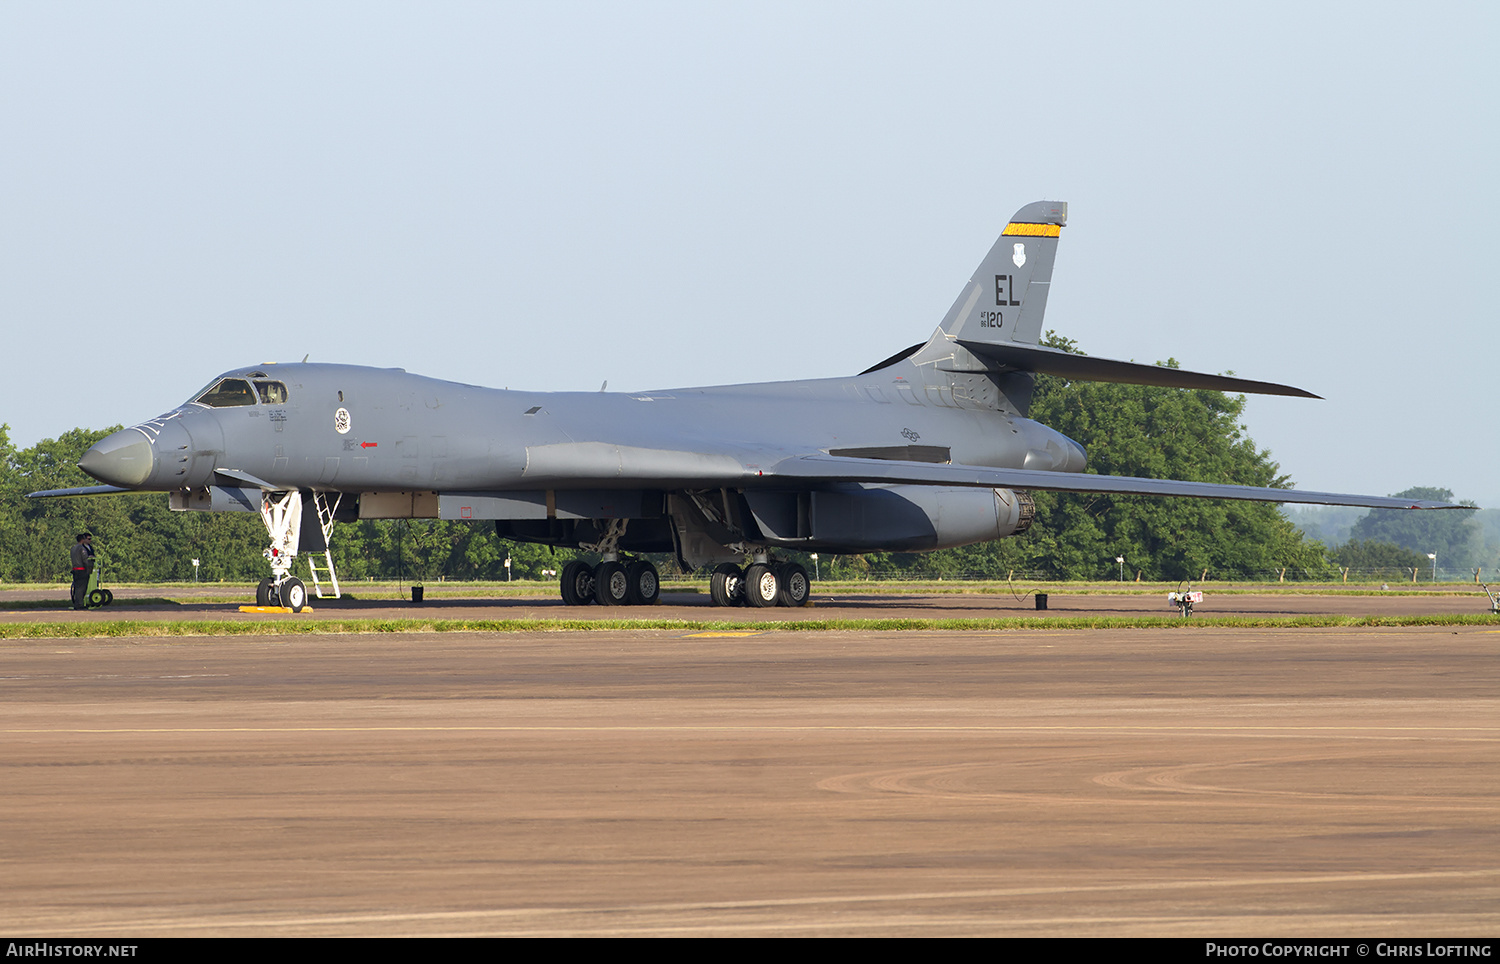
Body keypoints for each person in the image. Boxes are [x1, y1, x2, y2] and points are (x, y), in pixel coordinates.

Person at [70, 533, 95, 610]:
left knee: (77, 588)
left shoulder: (73, 548)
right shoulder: (82, 549)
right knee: (82, 588)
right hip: (82, 570)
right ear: (82, 539)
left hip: (75, 570)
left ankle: (76, 603)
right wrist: (90, 562)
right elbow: (85, 560)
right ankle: (79, 604)